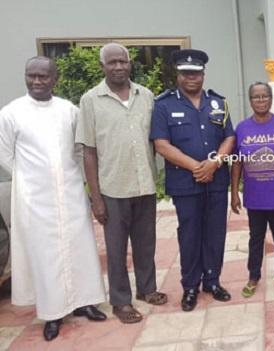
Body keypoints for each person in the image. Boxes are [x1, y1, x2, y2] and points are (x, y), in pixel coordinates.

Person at [0, 57, 106, 341]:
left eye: (43, 77)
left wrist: (69, 178)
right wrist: (34, 178)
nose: (36, 81)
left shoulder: (68, 110)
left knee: (79, 247)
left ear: (55, 78)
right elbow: (6, 155)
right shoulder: (11, 113)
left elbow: (77, 149)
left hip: (70, 191)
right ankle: (53, 313)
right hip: (35, 198)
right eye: (31, 76)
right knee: (45, 255)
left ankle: (85, 302)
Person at [76, 43, 167, 324]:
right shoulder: (90, 100)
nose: (118, 67)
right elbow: (88, 151)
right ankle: (120, 301)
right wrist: (96, 197)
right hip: (112, 189)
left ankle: (147, 289)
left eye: (123, 62)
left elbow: (153, 141)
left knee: (146, 243)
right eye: (112, 62)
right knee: (115, 249)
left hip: (144, 186)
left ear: (130, 64)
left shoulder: (146, 95)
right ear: (103, 66)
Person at [151, 49, 235, 312]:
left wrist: (215, 163)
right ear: (177, 74)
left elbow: (229, 137)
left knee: (215, 233)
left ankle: (212, 281)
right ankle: (190, 287)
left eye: (196, 73)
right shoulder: (164, 105)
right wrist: (197, 167)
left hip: (217, 180)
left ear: (203, 74)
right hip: (185, 183)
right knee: (189, 235)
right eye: (186, 73)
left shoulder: (218, 102)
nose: (191, 77)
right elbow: (161, 145)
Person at [231, 82, 274, 298]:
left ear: (271, 99)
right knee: (255, 238)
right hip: (254, 196)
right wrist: (234, 192)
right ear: (250, 101)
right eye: (256, 97)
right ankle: (253, 276)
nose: (260, 100)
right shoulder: (242, 128)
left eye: (264, 96)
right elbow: (237, 163)